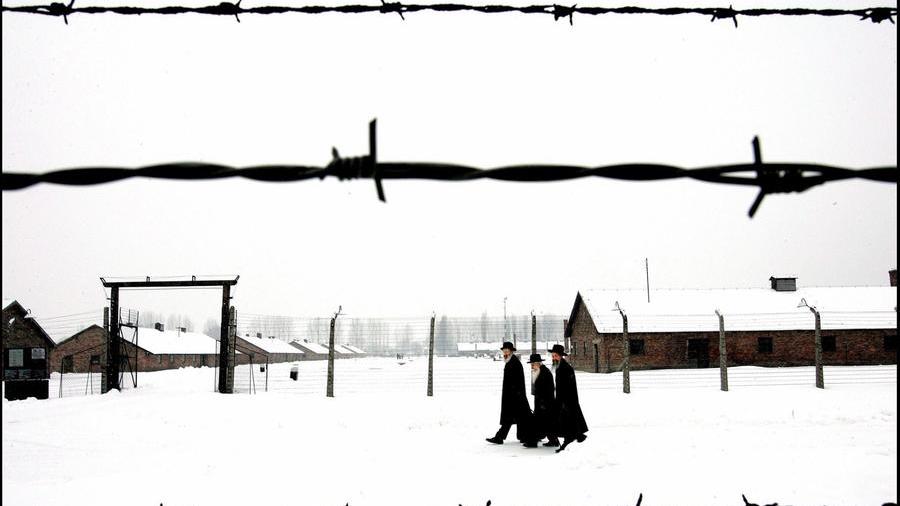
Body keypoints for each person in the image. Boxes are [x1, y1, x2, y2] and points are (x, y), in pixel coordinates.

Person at [486, 341, 533, 445]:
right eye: (504, 351)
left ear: (511, 351)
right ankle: (521, 436)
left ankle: (504, 437)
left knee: (516, 417)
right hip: (513, 395)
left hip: (515, 396)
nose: (505, 353)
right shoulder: (510, 361)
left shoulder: (514, 363)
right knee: (516, 417)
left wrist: (516, 395)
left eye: (507, 351)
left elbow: (518, 381)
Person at [549, 344, 588, 453]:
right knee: (568, 423)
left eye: (556, 356)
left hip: (567, 401)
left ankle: (569, 441)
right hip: (562, 400)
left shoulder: (566, 368)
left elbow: (570, 387)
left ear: (561, 356)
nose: (554, 358)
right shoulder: (559, 367)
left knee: (568, 423)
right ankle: (577, 437)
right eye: (553, 356)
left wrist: (565, 402)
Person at [526, 353, 560, 448]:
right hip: (542, 403)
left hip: (545, 403)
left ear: (538, 363)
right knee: (546, 423)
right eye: (531, 364)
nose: (532, 366)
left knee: (539, 423)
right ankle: (553, 440)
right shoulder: (539, 371)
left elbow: (549, 389)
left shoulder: (545, 373)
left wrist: (543, 403)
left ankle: (532, 442)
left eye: (533, 364)